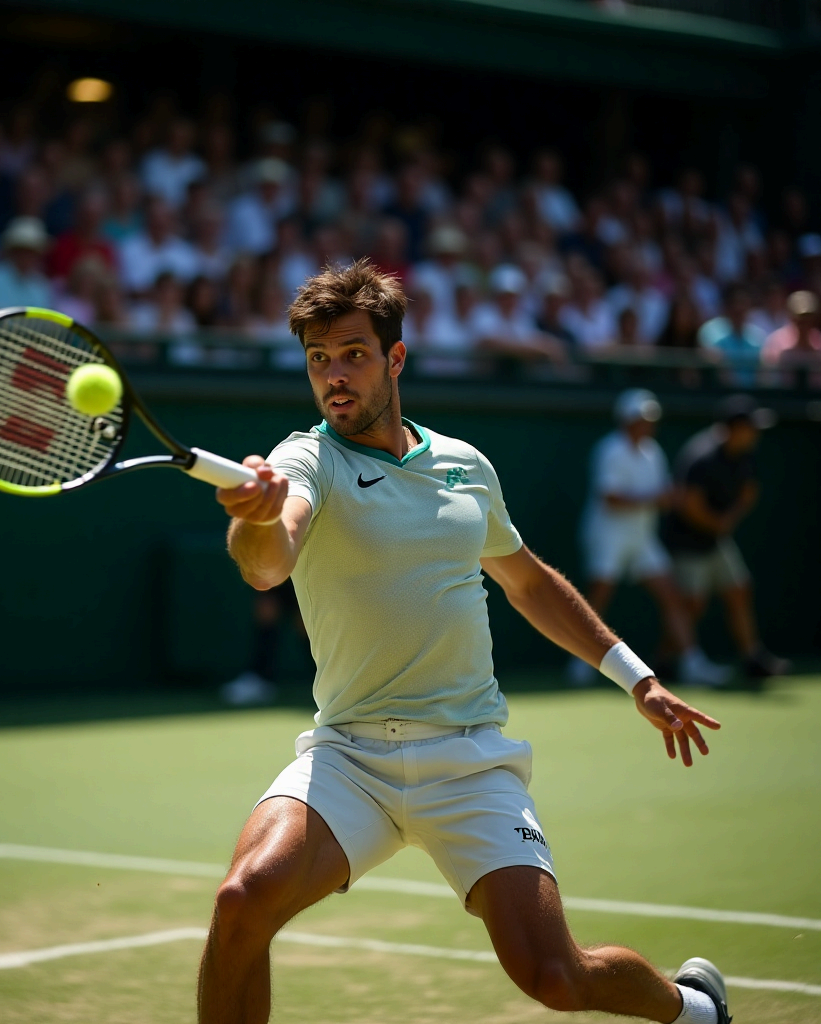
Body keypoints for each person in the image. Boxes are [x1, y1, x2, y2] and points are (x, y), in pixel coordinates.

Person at [201, 260, 731, 1024]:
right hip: (350, 759)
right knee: (242, 900)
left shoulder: (466, 466)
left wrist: (637, 677)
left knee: (555, 977)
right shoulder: (304, 460)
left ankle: (695, 1009)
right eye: (318, 359)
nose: (334, 376)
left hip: (469, 762)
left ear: (396, 357)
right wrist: (253, 519)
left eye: (353, 353)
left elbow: (529, 582)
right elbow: (266, 564)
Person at [569, 389, 729, 688]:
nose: (648, 424)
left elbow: (663, 495)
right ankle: (581, 660)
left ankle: (692, 663)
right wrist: (657, 499)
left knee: (672, 595)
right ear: (627, 420)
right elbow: (611, 499)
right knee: (598, 599)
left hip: (642, 538)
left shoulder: (653, 452)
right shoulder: (610, 450)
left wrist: (669, 499)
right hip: (608, 536)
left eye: (651, 419)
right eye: (642, 418)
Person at [662, 395, 788, 680]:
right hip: (686, 541)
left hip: (717, 539)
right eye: (751, 427)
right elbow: (689, 504)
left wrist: (730, 517)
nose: (756, 433)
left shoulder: (745, 455)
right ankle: (664, 661)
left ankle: (752, 658)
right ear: (735, 428)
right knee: (692, 605)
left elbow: (749, 493)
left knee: (739, 589)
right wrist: (720, 522)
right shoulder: (701, 457)